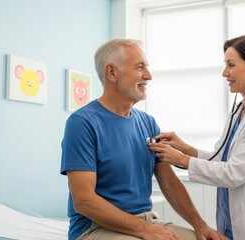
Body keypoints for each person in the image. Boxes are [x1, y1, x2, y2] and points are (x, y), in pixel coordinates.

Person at [60, 38, 227, 240]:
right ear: (112, 72)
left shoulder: (148, 123)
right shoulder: (82, 123)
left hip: (146, 220)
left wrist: (201, 226)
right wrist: (146, 230)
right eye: (140, 67)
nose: (148, 76)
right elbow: (84, 200)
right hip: (95, 228)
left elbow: (170, 183)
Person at [148, 34, 245, 240]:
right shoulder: (239, 111)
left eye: (231, 65)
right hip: (232, 219)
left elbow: (234, 173)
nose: (224, 73)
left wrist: (181, 159)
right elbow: (220, 159)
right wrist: (184, 148)